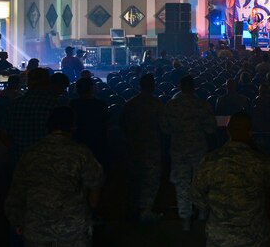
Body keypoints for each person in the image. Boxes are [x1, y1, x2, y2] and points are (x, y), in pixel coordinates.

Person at [5, 107, 105, 247]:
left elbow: (16, 193)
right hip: (72, 230)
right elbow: (95, 184)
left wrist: (18, 222)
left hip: (36, 228)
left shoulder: (30, 154)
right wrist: (90, 212)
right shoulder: (81, 153)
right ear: (73, 127)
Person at [191, 112, 270, 247]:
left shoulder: (210, 160)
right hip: (253, 236)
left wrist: (214, 209)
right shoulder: (261, 161)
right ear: (250, 132)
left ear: (228, 130)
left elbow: (195, 195)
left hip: (219, 236)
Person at [160, 75, 217, 230]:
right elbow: (211, 129)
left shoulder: (171, 105)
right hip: (198, 150)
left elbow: (164, 129)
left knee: (182, 185)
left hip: (178, 150)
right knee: (200, 181)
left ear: (180, 87)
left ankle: (185, 219)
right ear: (194, 88)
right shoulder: (202, 105)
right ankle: (202, 213)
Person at [120, 74, 165, 222]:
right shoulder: (157, 104)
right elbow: (164, 127)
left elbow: (122, 126)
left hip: (133, 146)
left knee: (134, 179)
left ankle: (132, 209)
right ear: (153, 86)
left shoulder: (129, 104)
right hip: (151, 147)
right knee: (151, 180)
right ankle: (146, 210)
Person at [4, 68, 59, 168]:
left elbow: (7, 134)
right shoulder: (55, 103)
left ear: (28, 82)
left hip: (20, 158)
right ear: (48, 82)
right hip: (47, 159)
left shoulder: (16, 104)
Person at [69, 77, 109, 167]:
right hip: (97, 143)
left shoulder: (72, 104)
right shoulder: (101, 105)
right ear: (92, 88)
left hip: (78, 141)